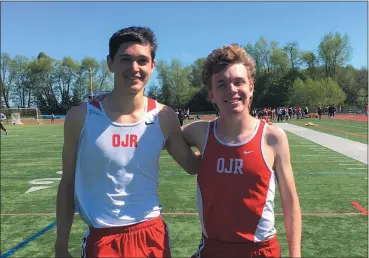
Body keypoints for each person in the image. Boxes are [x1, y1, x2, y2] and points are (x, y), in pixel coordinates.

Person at [54, 26, 201, 258]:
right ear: (110, 63)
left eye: (142, 60)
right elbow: (67, 184)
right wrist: (61, 244)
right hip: (103, 238)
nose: (134, 68)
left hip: (151, 235)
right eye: (125, 59)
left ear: (153, 65)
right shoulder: (81, 117)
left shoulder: (163, 116)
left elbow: (193, 166)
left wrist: (220, 135)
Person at [182, 44, 301, 258]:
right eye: (221, 84)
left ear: (251, 87)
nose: (232, 90)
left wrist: (295, 254)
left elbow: (290, 202)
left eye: (239, 82)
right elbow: (160, 134)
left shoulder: (272, 137)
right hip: (213, 249)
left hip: (260, 250)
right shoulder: (200, 133)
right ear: (211, 93)